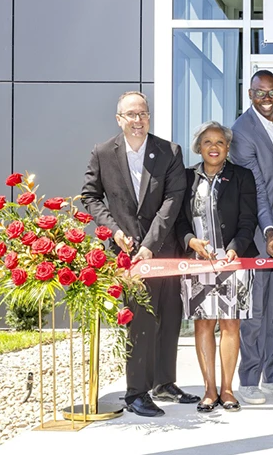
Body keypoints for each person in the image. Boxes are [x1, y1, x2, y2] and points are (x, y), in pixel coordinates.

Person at [81, 91, 199, 417]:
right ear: (119, 119)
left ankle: (163, 382)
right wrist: (113, 230)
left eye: (142, 114)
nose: (138, 120)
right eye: (131, 115)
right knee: (141, 321)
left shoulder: (169, 151)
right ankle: (136, 393)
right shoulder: (103, 153)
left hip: (162, 250)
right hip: (126, 255)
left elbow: (173, 201)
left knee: (169, 317)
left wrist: (150, 244)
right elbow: (90, 196)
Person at [175, 121, 258, 413]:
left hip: (234, 261)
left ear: (227, 148)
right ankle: (209, 389)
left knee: (231, 323)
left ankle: (227, 388)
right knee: (204, 323)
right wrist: (190, 240)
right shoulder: (185, 178)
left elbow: (249, 220)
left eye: (220, 142)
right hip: (198, 261)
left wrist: (235, 248)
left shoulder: (242, 177)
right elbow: (179, 219)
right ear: (199, 146)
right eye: (208, 142)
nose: (214, 147)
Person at [230, 69, 273, 404]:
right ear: (250, 94)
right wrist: (269, 230)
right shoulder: (242, 131)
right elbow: (256, 189)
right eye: (261, 93)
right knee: (255, 312)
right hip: (261, 230)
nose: (268, 99)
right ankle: (248, 380)